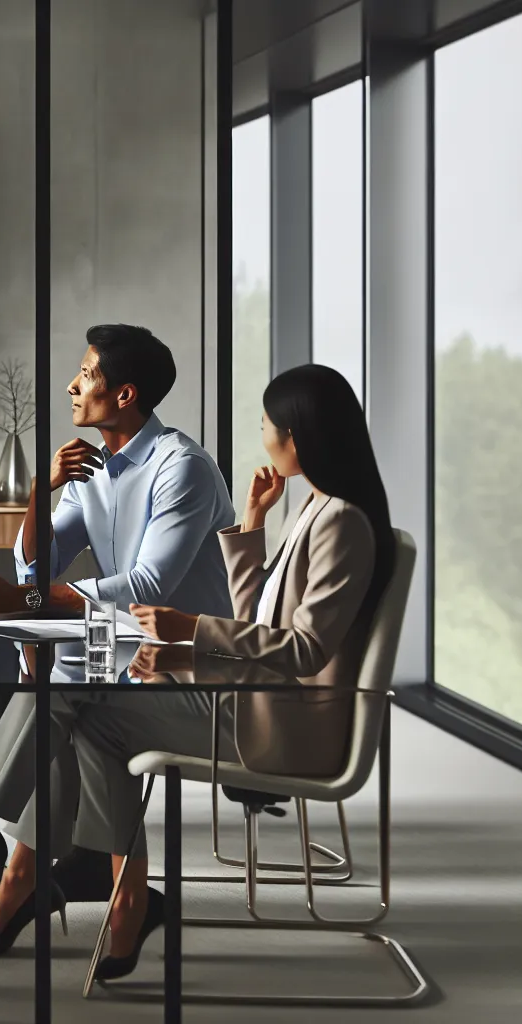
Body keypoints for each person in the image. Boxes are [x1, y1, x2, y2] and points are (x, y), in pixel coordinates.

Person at [0, 324, 234, 954]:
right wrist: (40, 490)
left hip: (188, 667)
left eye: (86, 374)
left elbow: (146, 585)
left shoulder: (182, 469)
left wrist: (30, 602)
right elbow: (35, 565)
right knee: (51, 683)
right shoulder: (93, 467)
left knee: (59, 695)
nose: (72, 385)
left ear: (124, 395)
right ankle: (31, 869)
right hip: (123, 652)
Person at [86, 361, 392, 976]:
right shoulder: (315, 507)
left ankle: (101, 883)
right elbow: (257, 622)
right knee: (76, 704)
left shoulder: (341, 523)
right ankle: (97, 880)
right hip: (260, 701)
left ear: (298, 437)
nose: (264, 436)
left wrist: (190, 628)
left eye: (268, 425)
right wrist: (251, 523)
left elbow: (303, 651)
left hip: (284, 727)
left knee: (91, 716)